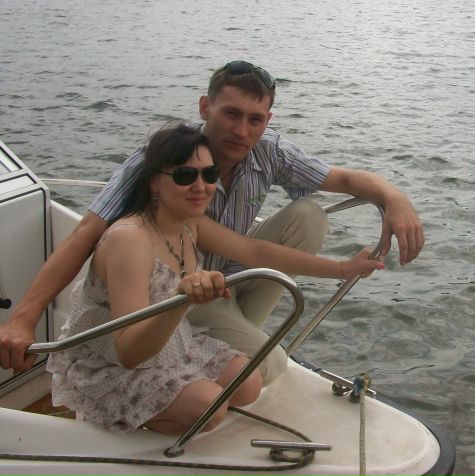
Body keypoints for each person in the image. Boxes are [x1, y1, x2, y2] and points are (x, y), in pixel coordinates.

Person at [0, 60, 424, 377]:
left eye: (255, 120)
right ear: (206, 107)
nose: (242, 131)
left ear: (267, 121)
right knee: (268, 366)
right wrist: (23, 318)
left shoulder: (269, 150)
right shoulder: (163, 159)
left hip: (228, 277)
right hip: (178, 292)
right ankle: (227, 349)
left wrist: (394, 197)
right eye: (231, 114)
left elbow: (341, 180)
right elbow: (86, 234)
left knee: (309, 215)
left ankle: (235, 339)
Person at [47, 125, 383, 433]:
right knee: (211, 409)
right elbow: (129, 352)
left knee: (248, 384)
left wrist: (342, 269)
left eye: (209, 175)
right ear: (154, 182)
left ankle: (173, 403)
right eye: (184, 176)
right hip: (111, 361)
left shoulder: (188, 223)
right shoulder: (131, 240)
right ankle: (111, 418)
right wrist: (181, 301)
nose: (200, 186)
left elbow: (256, 252)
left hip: (169, 341)